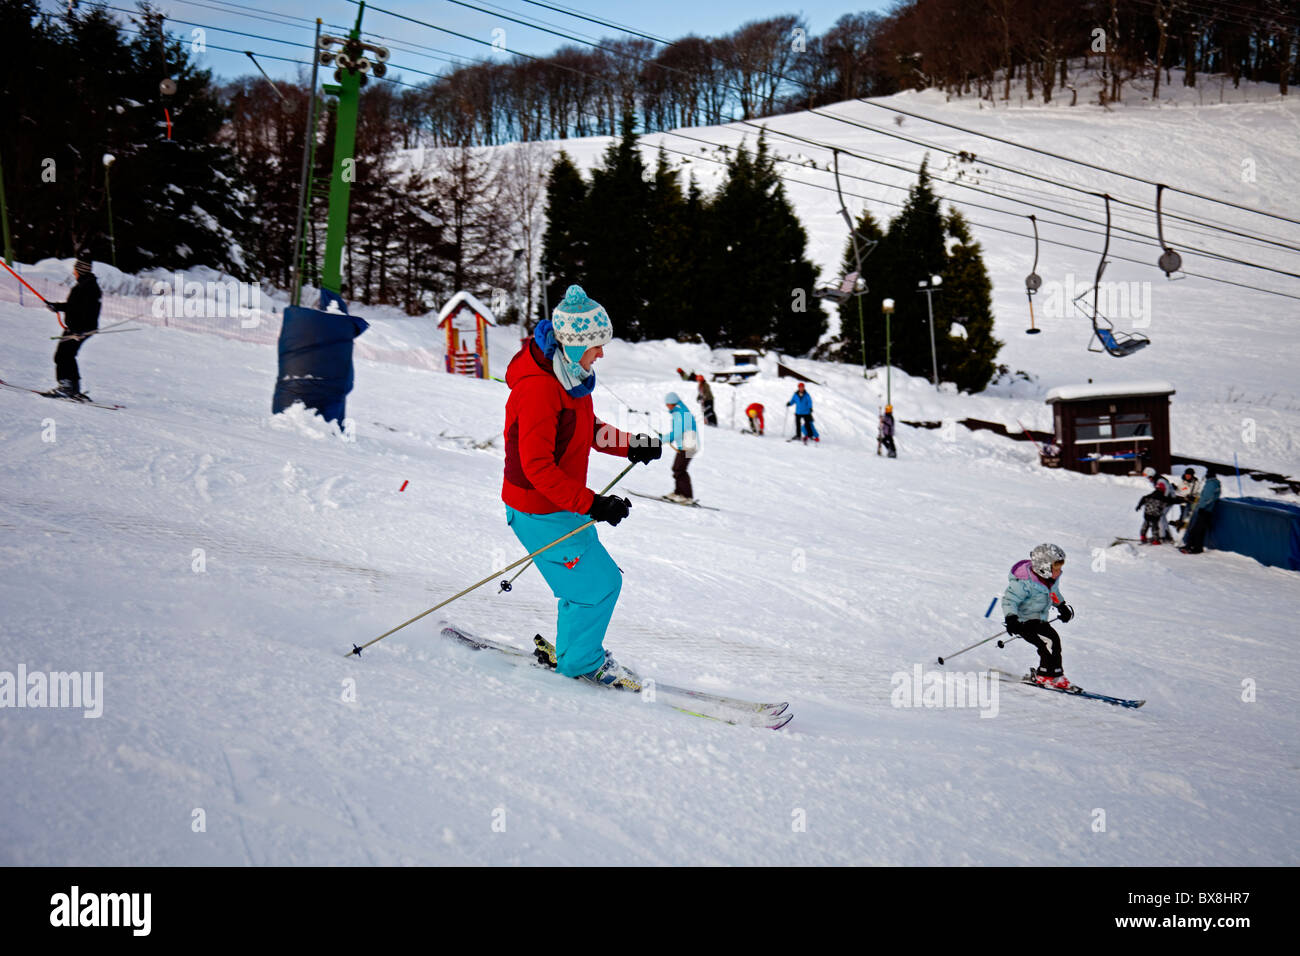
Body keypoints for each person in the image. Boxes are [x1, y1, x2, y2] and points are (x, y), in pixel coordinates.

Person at [502, 285, 662, 690]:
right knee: (598, 586)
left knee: (588, 585)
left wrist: (630, 444)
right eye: (595, 346)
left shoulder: (570, 377)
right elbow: (536, 466)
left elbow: (584, 429)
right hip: (540, 511)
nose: (601, 354)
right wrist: (593, 504)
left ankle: (576, 650)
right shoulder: (539, 388)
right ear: (572, 345)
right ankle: (581, 664)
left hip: (560, 505)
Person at [1002, 543, 1076, 689]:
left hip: (1040, 620)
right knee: (1047, 643)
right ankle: (1047, 676)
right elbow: (1010, 600)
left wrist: (1061, 606)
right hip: (1023, 622)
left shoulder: (1050, 580)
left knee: (1054, 640)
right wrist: (1011, 618)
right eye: (1056, 568)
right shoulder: (1024, 583)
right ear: (1044, 568)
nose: (1059, 571)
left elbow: (1053, 593)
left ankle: (1054, 674)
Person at [43, 252, 102, 400]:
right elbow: (75, 306)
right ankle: (73, 388)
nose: (73, 272)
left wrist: (78, 330)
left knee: (62, 356)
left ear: (80, 270)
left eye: (75, 269)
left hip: (78, 329)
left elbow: (80, 309)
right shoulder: (89, 285)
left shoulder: (84, 287)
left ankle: (66, 387)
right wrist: (56, 306)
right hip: (83, 328)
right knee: (68, 355)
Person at [661, 391, 699, 502]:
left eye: (667, 404)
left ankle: (686, 496)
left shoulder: (680, 414)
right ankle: (678, 493)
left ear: (672, 403)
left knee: (679, 469)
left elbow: (677, 433)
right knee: (677, 468)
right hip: (686, 446)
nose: (667, 406)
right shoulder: (680, 411)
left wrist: (662, 440)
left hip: (688, 446)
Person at [1180, 468, 1222, 555]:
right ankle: (1195, 547)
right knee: (1200, 529)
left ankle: (1193, 547)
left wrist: (1202, 507)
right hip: (1208, 510)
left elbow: (1207, 497)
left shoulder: (1211, 484)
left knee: (1196, 529)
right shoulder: (1215, 484)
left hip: (1205, 510)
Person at [1142, 467, 1175, 542]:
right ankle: (1167, 535)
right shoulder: (1157, 480)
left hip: (1168, 500)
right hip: (1167, 500)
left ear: (1152, 475)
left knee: (1160, 516)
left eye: (1149, 477)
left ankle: (1161, 536)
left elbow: (1165, 493)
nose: (1149, 479)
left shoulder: (1160, 481)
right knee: (1162, 516)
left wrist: (1162, 502)